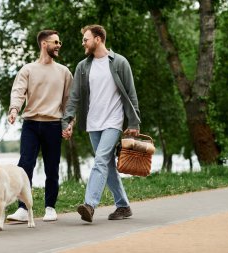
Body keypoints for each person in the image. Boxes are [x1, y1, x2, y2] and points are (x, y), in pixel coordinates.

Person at [62, 24, 140, 222]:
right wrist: (68, 120)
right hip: (93, 123)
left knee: (100, 160)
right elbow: (75, 97)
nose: (83, 43)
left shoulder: (119, 62)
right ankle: (123, 206)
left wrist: (134, 123)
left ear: (98, 39)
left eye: (85, 39)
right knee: (107, 165)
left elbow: (131, 94)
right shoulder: (83, 66)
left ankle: (90, 204)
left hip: (114, 121)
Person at [6, 30, 73, 222]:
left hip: (53, 124)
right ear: (44, 44)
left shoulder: (64, 72)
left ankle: (50, 207)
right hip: (31, 125)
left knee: (52, 167)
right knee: (25, 165)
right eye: (55, 42)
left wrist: (69, 123)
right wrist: (14, 110)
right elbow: (18, 92)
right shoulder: (27, 69)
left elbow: (69, 102)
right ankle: (22, 209)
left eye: (59, 42)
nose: (59, 45)